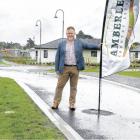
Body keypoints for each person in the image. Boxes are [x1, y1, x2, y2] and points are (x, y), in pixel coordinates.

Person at [52, 26, 98, 110]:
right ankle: (55, 103)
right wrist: (57, 69)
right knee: (59, 86)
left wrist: (99, 46)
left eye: (71, 33)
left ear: (74, 34)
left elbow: (89, 45)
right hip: (64, 68)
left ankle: (72, 104)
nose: (70, 34)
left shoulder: (79, 42)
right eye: (68, 33)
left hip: (75, 68)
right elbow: (57, 57)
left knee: (73, 87)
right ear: (66, 34)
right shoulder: (61, 43)